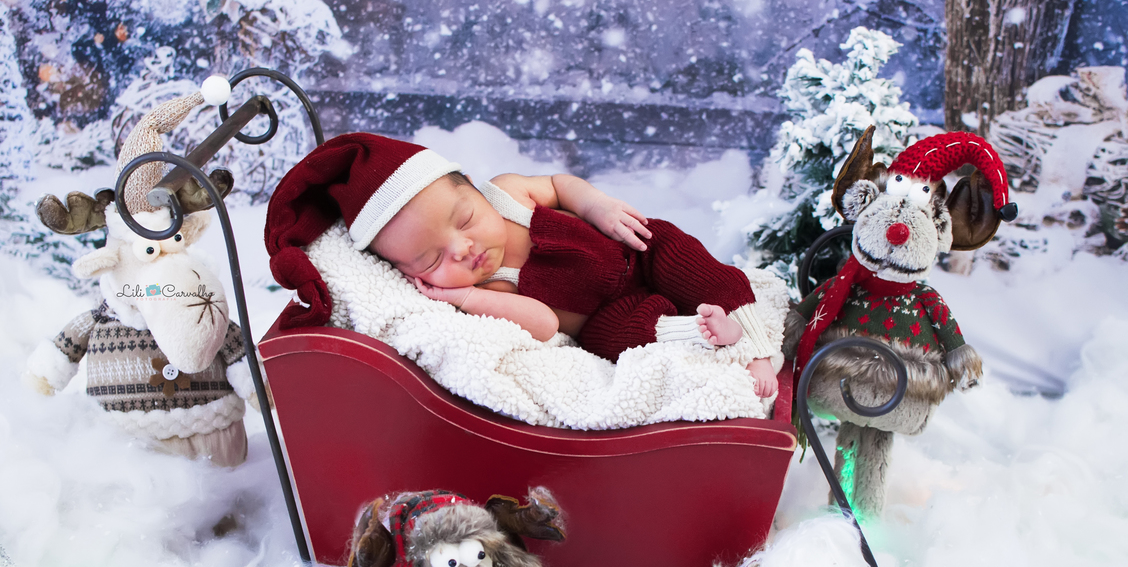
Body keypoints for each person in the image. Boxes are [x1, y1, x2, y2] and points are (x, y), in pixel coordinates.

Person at [265, 133, 779, 397]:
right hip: (607, 314)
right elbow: (547, 324)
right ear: (412, 275)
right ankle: (706, 334)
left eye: (463, 219)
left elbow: (557, 185)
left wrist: (595, 206)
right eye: (432, 258)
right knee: (625, 337)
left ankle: (753, 339)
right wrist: (465, 297)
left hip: (636, 254)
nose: (462, 249)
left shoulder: (509, 193)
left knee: (680, 253)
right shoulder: (490, 288)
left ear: (472, 188)